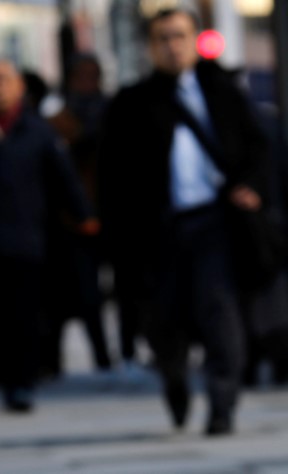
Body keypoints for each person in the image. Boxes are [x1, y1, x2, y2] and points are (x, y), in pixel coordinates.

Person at [98, 8, 269, 436]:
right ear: (150, 46)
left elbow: (259, 148)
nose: (172, 45)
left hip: (215, 223)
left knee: (220, 315)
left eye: (178, 36)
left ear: (194, 39)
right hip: (157, 232)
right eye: (162, 38)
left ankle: (221, 405)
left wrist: (249, 185)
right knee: (163, 323)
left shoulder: (224, 92)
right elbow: (112, 176)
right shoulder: (132, 102)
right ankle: (174, 383)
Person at [0, 59, 96, 412]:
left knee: (25, 314)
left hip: (27, 238)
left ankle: (22, 382)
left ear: (18, 87)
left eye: (4, 80)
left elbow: (63, 178)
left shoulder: (37, 131)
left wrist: (84, 215)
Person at [43, 54, 113, 377]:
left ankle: (110, 355)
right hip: (71, 222)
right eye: (81, 77)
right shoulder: (58, 121)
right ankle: (60, 360)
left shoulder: (112, 115)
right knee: (75, 294)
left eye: (92, 76)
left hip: (111, 215)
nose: (87, 84)